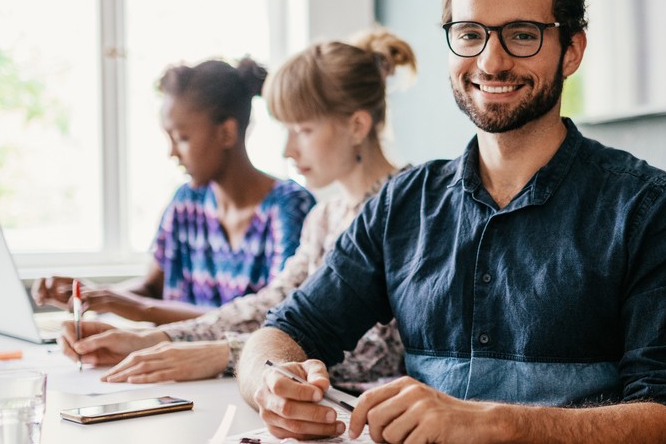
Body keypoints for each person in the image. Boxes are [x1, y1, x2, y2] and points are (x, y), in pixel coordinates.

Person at [237, 0, 666, 442]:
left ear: (572, 51)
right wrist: (271, 383)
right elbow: (285, 330)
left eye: (522, 35)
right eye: (470, 35)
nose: (491, 62)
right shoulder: (401, 205)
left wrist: (494, 425)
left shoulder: (653, 211)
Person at [58, 28, 419, 387]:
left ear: (356, 126)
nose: (288, 151)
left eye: (303, 130)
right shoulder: (324, 217)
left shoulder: (413, 207)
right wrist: (155, 339)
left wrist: (223, 354)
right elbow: (271, 307)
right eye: (286, 130)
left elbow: (374, 354)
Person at [31, 58, 315, 325]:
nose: (172, 152)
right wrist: (91, 295)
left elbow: (269, 319)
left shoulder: (290, 208)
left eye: (181, 138)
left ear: (226, 133)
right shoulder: (185, 203)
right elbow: (151, 289)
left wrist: (133, 307)